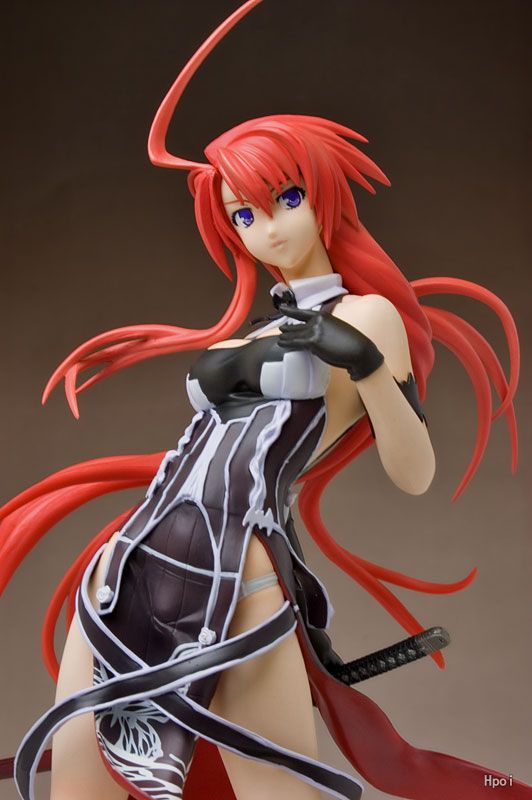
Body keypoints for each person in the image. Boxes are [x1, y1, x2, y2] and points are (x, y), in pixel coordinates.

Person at [0, 2, 528, 799]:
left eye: (285, 199)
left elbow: (414, 472)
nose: (268, 229)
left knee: (273, 790)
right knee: (82, 786)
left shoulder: (367, 317)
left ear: (322, 194)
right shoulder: (256, 328)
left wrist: (369, 368)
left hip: (237, 576)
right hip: (128, 563)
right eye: (243, 214)